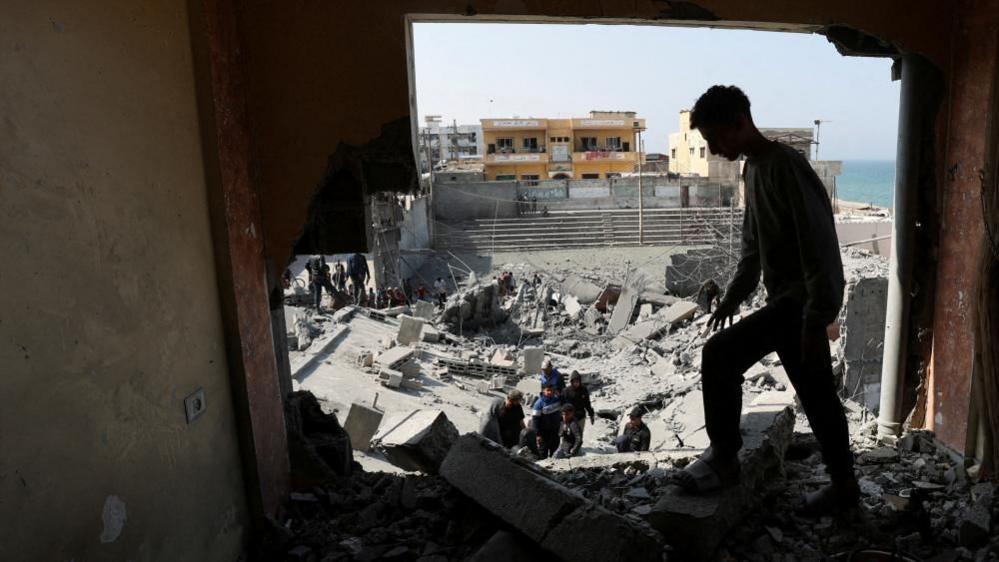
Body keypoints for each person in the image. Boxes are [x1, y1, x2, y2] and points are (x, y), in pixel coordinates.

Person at [673, 85, 857, 516]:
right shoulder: (752, 171)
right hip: (786, 306)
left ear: (740, 121)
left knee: (719, 357)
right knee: (818, 397)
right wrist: (733, 297)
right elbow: (752, 248)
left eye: (716, 138)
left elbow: (820, 246)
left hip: (798, 308)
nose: (715, 150)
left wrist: (816, 320)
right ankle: (845, 488)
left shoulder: (786, 167)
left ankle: (724, 460)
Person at [530, 384, 563, 459]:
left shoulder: (556, 399)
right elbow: (535, 420)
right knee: (543, 452)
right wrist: (538, 435)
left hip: (555, 431)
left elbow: (564, 403)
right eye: (548, 390)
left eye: (551, 390)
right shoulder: (539, 404)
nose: (550, 392)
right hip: (544, 433)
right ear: (543, 390)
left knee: (555, 451)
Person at [563, 371, 595, 435]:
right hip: (570, 417)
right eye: (574, 382)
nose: (576, 383)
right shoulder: (566, 391)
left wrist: (591, 415)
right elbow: (563, 405)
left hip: (581, 416)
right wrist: (564, 421)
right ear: (571, 382)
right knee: (570, 435)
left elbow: (587, 403)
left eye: (577, 381)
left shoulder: (583, 390)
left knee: (579, 435)